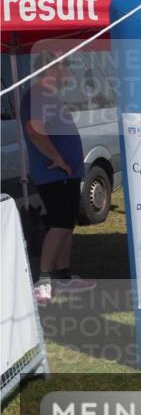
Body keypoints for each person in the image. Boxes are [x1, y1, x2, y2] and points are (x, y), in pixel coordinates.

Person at [21, 57, 96, 305]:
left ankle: (63, 276)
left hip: (66, 173)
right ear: (50, 70)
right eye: (64, 67)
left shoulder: (48, 95)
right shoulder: (39, 94)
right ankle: (43, 282)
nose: (67, 72)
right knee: (59, 225)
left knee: (66, 224)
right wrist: (58, 159)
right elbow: (34, 130)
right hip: (55, 173)